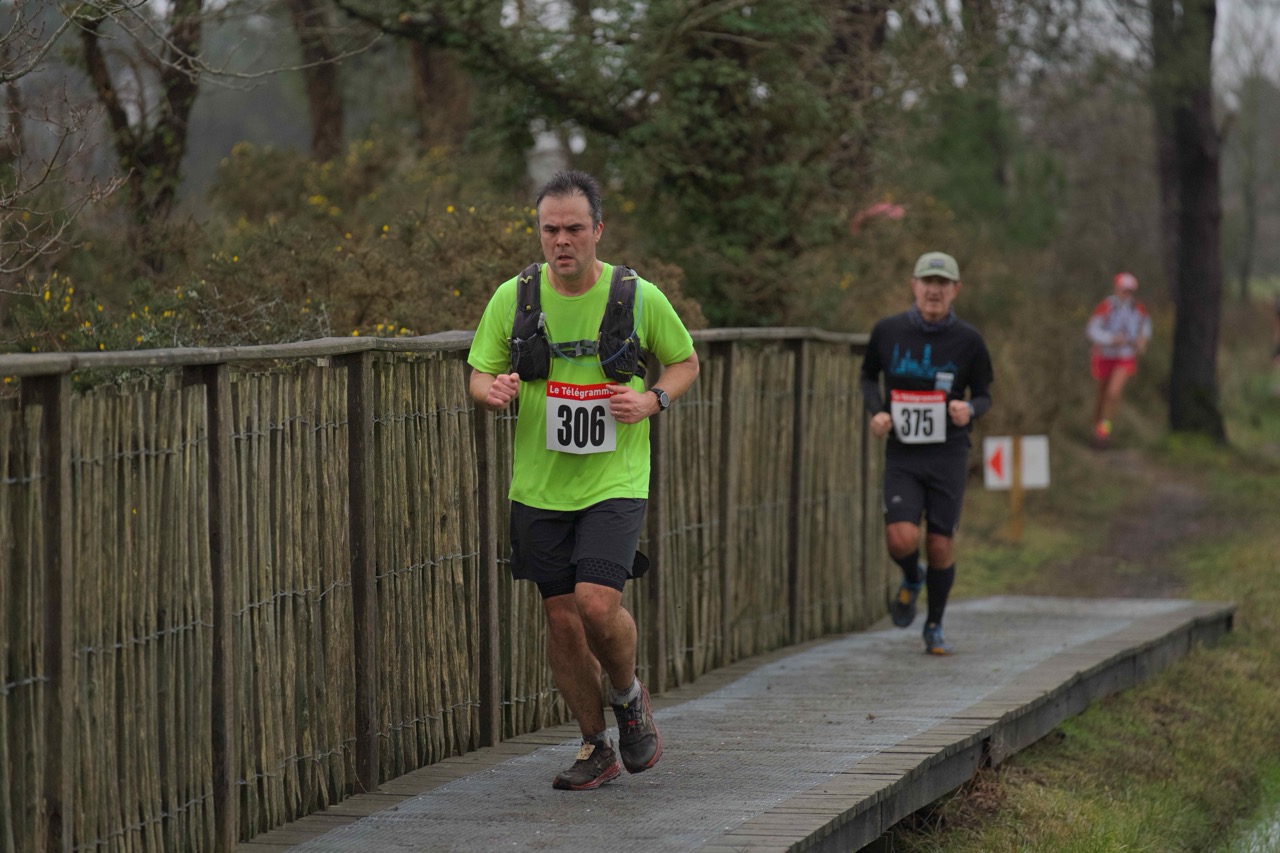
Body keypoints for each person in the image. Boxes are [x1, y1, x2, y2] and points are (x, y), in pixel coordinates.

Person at [467, 170, 699, 790]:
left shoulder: (636, 295)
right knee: (563, 620)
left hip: (614, 480)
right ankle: (595, 745)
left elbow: (684, 362)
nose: (561, 240)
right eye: (550, 229)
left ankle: (627, 695)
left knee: (597, 603)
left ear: (598, 230)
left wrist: (652, 400)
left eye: (573, 228)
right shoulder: (514, 298)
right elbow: (479, 374)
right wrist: (493, 391)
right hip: (539, 486)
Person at [860, 251, 994, 655]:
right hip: (903, 453)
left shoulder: (969, 341)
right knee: (900, 539)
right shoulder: (888, 330)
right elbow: (868, 375)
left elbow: (984, 394)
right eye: (928, 282)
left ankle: (934, 625)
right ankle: (911, 575)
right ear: (914, 286)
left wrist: (968, 409)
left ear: (956, 290)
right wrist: (877, 412)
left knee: (939, 544)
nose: (934, 291)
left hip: (948, 453)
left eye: (943, 284)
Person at [1085, 272, 1152, 445]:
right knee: (1102, 394)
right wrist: (1110, 339)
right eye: (1124, 290)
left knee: (1113, 393)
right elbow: (1092, 330)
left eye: (1130, 291)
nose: (1127, 294)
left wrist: (1142, 340)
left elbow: (1145, 327)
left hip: (1125, 356)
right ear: (1116, 289)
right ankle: (1096, 426)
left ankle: (1104, 431)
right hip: (1104, 355)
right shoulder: (1106, 306)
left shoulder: (1138, 309)